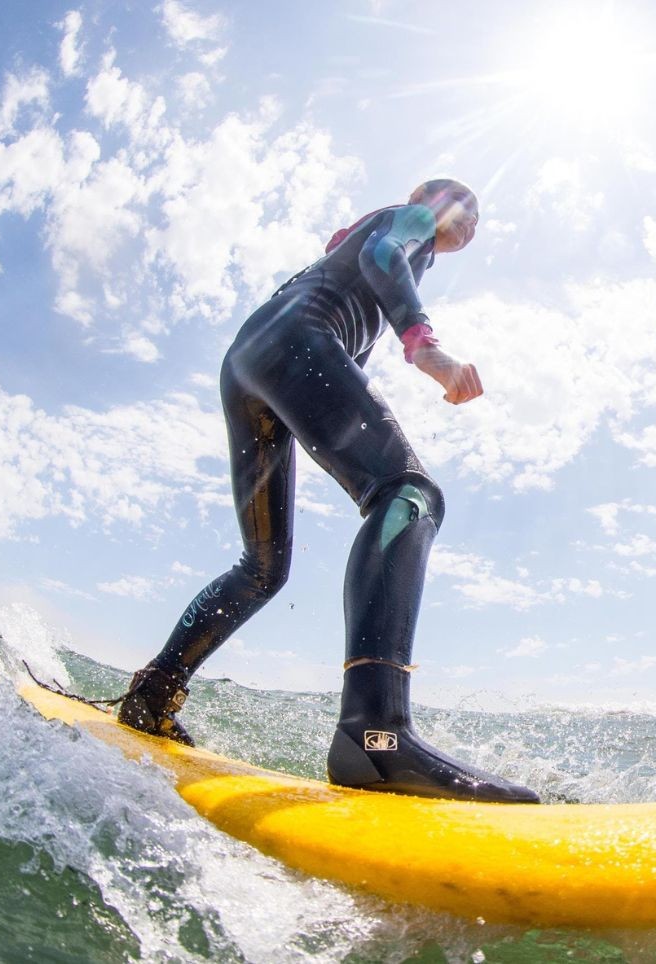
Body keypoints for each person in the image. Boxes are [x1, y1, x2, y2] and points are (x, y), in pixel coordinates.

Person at [118, 178, 539, 804]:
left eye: (478, 213)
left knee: (264, 566)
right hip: (296, 340)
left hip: (249, 360)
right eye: (461, 202)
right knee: (409, 494)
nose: (469, 217)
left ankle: (151, 696)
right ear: (427, 196)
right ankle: (376, 732)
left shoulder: (353, 256)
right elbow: (383, 257)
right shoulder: (409, 224)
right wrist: (426, 347)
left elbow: (346, 318)